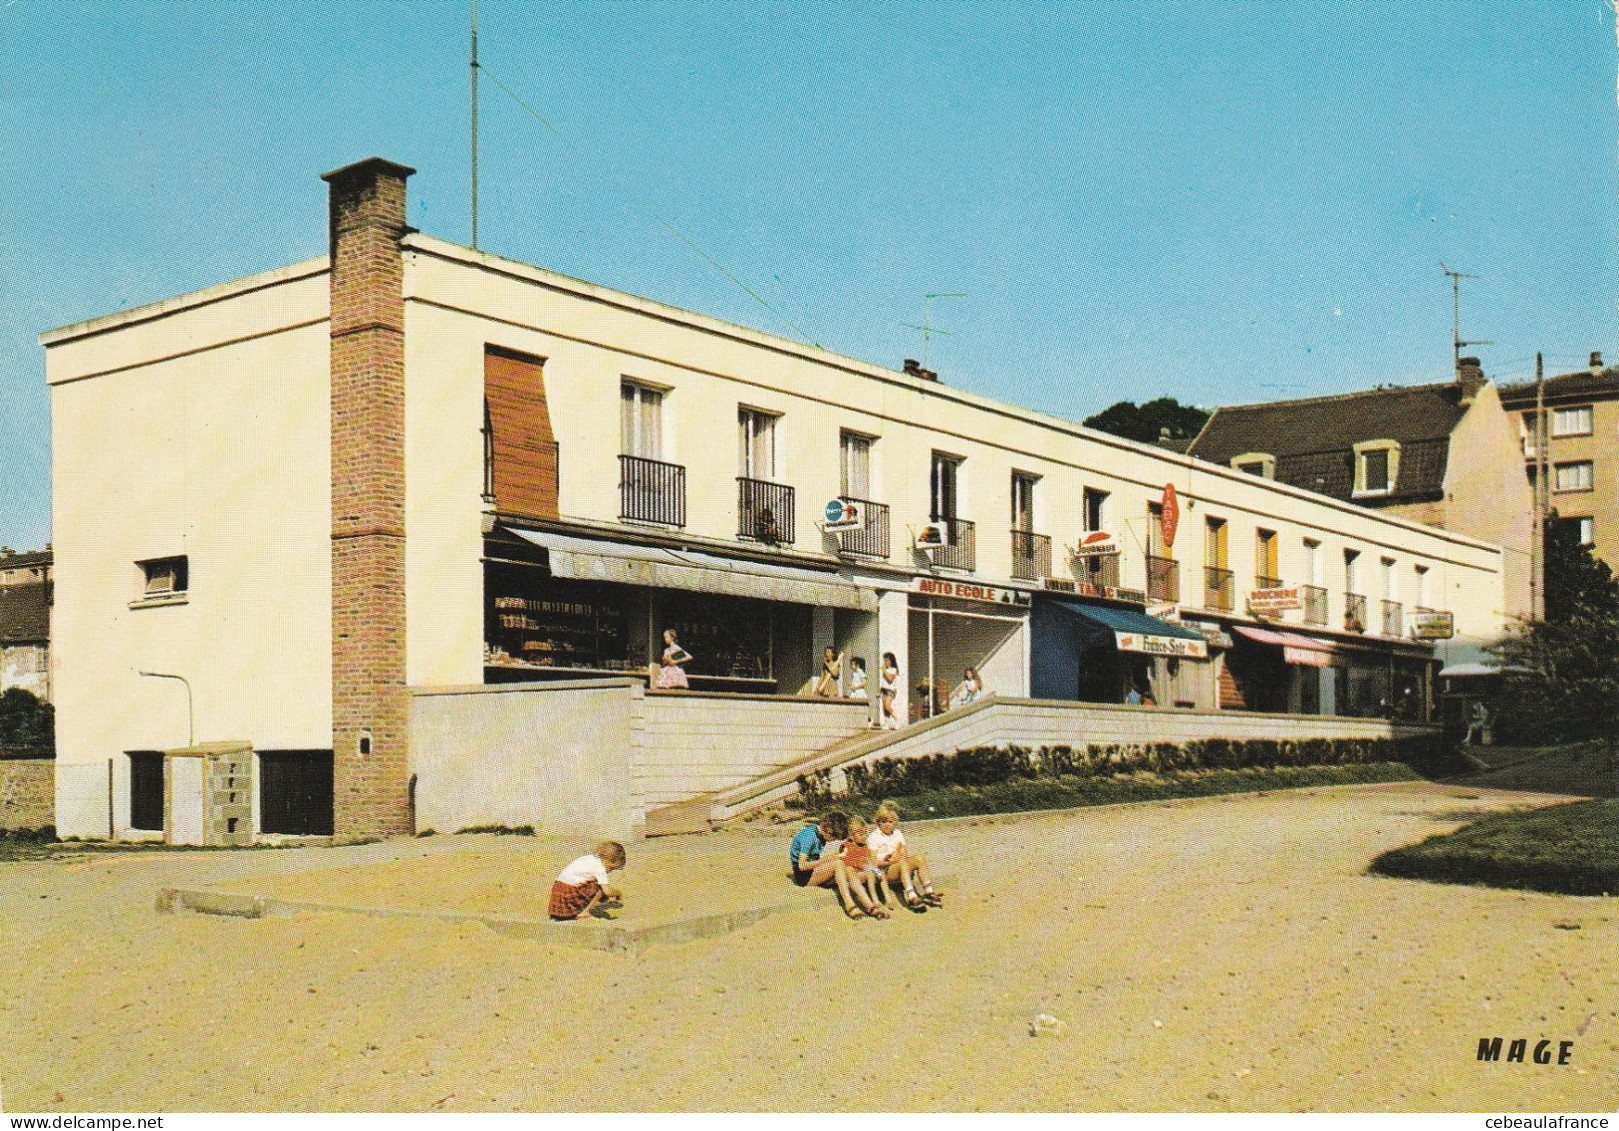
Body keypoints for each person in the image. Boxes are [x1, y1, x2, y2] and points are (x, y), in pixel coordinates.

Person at [789, 809, 877, 919]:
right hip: (804, 876)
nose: (833, 841)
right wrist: (829, 858)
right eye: (834, 838)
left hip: (815, 871)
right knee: (838, 863)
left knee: (851, 870)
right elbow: (801, 866)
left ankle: (869, 905)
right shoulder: (809, 837)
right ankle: (849, 904)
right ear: (829, 831)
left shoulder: (819, 833)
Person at [869, 803, 941, 908]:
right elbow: (873, 863)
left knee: (918, 858)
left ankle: (929, 892)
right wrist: (888, 861)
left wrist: (898, 857)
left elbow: (904, 855)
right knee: (902, 863)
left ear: (895, 822)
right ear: (878, 822)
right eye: (883, 822)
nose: (887, 825)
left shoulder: (898, 834)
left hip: (899, 867)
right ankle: (911, 897)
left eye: (890, 821)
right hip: (885, 871)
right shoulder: (874, 836)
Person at [548, 841, 626, 921]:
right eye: (611, 868)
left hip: (558, 890)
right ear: (607, 859)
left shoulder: (590, 858)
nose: (609, 871)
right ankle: (584, 912)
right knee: (599, 887)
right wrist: (618, 893)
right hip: (568, 893)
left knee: (593, 883)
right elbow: (607, 891)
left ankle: (570, 911)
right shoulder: (600, 868)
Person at [838, 816, 890, 917]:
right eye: (861, 834)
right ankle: (874, 900)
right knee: (869, 872)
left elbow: (870, 860)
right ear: (851, 836)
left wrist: (875, 868)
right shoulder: (847, 846)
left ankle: (888, 899)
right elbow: (845, 863)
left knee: (880, 873)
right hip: (854, 873)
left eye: (865, 833)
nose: (864, 836)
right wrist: (862, 864)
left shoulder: (865, 846)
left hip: (865, 869)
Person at [879, 652, 901, 730]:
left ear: (891, 661)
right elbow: (884, 681)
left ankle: (897, 719)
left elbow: (890, 679)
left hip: (890, 691)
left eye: (887, 660)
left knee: (887, 706)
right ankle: (888, 724)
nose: (886, 663)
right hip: (884, 689)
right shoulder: (886, 670)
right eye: (884, 661)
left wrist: (884, 670)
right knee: (884, 708)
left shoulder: (893, 670)